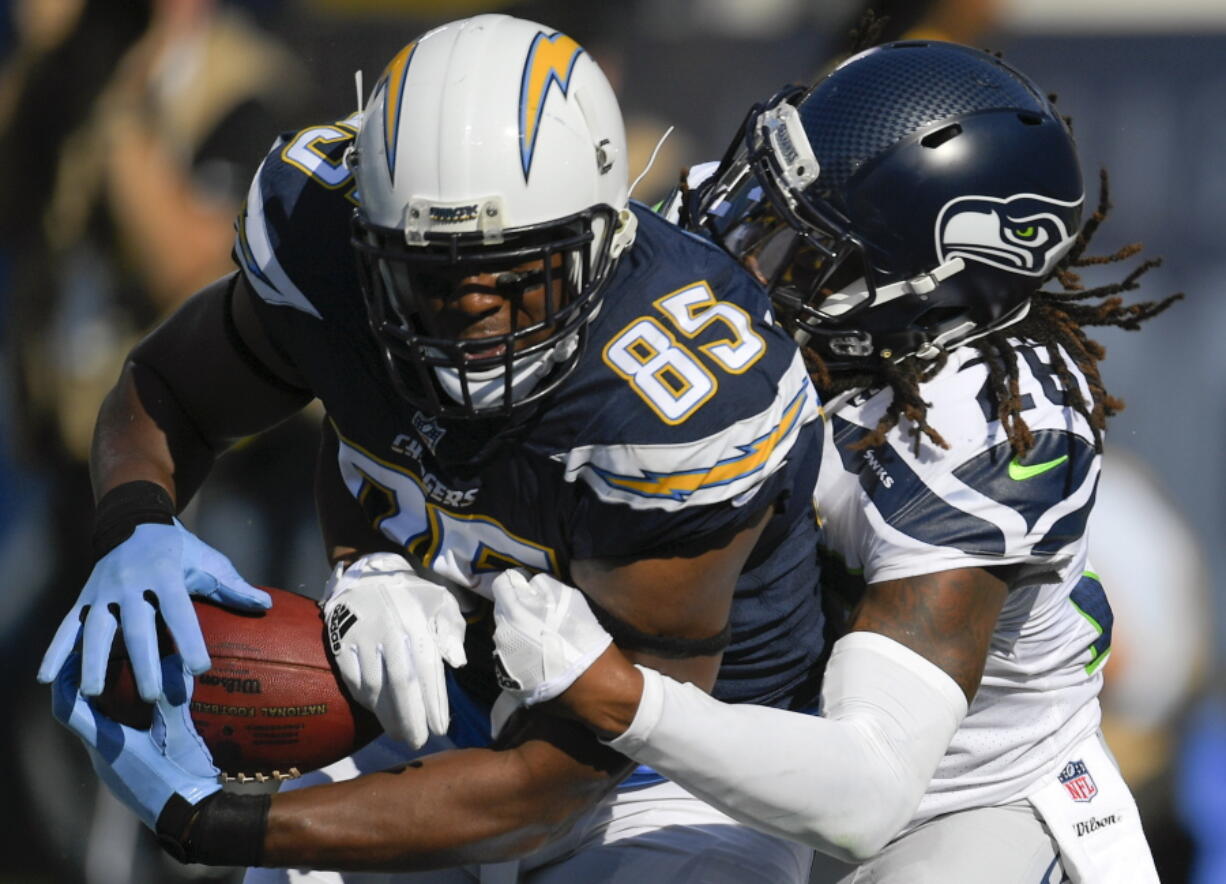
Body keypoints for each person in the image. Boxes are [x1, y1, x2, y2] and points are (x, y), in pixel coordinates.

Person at [38, 13, 827, 882]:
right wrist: (138, 525)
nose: (471, 303)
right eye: (430, 272)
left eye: (516, 269)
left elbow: (552, 787)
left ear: (603, 238)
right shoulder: (323, 241)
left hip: (670, 774)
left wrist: (223, 825)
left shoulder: (676, 404)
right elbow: (172, 389)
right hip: (456, 704)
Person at [487, 40, 1180, 883]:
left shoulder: (988, 432)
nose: (737, 250)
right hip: (709, 745)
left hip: (946, 798)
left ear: (924, 294)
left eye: (796, 249)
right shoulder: (737, 227)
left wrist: (614, 695)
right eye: (759, 206)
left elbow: (867, 782)